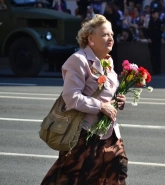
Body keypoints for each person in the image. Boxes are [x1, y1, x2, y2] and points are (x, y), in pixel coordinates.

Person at [41, 14, 128, 185]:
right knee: (77, 179)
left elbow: (108, 94)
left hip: (110, 134)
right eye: (105, 34)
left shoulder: (107, 62)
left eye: (111, 34)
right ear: (91, 38)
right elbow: (71, 97)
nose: (110, 37)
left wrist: (118, 100)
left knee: (117, 171)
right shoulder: (78, 60)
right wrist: (101, 106)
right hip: (85, 134)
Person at [146, 10, 162, 75]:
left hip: (157, 41)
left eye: (154, 13)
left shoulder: (160, 22)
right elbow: (149, 30)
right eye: (152, 13)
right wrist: (149, 38)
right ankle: (153, 69)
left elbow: (160, 32)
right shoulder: (151, 21)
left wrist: (154, 38)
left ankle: (158, 70)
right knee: (152, 56)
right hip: (151, 42)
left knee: (157, 55)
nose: (153, 15)